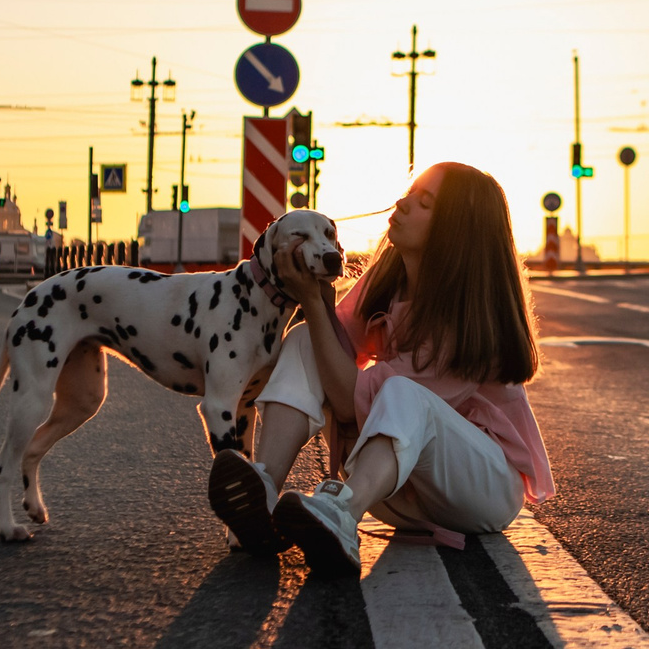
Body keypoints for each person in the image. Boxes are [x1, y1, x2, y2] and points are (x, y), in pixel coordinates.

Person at [204, 163, 553, 574]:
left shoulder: (474, 320)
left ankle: (342, 515)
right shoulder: (390, 279)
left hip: (482, 490)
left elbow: (353, 404)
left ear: (454, 232)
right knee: (304, 341)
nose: (402, 203)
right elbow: (332, 354)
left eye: (423, 203)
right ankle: (263, 491)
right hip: (400, 488)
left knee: (400, 391)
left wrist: (315, 304)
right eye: (409, 192)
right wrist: (312, 298)